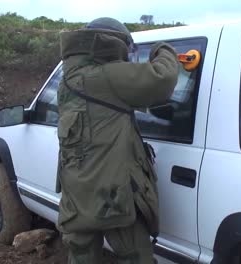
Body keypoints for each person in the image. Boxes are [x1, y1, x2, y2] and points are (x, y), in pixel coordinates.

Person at [57, 17, 179, 264]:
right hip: (112, 196)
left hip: (77, 195)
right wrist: (163, 50)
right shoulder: (107, 76)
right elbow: (162, 78)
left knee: (81, 256)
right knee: (136, 257)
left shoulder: (69, 78)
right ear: (115, 44)